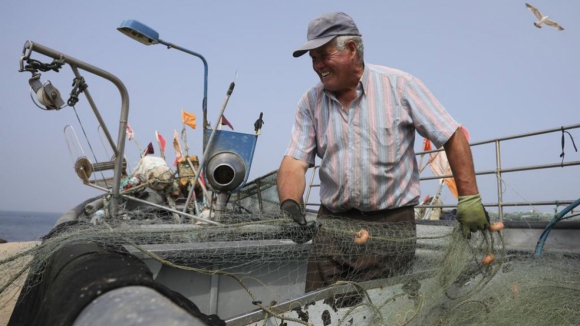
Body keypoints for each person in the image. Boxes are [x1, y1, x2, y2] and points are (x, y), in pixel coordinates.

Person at [277, 12, 489, 292]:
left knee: (383, 310)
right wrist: (290, 204)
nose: (318, 66)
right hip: (331, 227)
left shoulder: (401, 86)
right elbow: (295, 161)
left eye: (323, 55)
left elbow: (451, 135)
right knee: (320, 310)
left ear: (351, 49)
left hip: (391, 227)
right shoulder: (310, 102)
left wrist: (469, 198)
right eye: (313, 58)